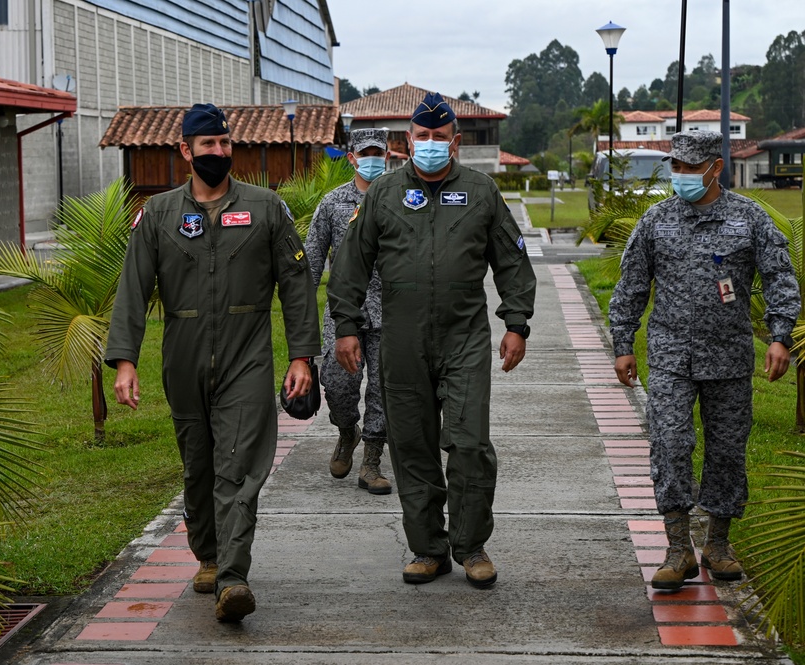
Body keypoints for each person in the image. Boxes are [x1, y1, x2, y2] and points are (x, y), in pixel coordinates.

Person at [105, 103, 321, 622]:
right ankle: (207, 554)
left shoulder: (267, 208)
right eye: (209, 145)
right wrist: (125, 361)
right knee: (198, 465)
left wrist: (301, 356)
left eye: (225, 143)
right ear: (186, 151)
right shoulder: (158, 214)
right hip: (182, 357)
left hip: (246, 357)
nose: (220, 152)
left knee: (239, 467)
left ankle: (233, 578)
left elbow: (296, 285)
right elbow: (133, 290)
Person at [327, 92, 537, 588]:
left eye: (439, 138)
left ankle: (471, 545)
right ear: (407, 141)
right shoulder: (383, 195)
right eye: (422, 137)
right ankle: (428, 548)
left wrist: (516, 323)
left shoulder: (482, 191)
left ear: (456, 142)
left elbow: (511, 261)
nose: (430, 145)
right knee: (412, 446)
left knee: (469, 444)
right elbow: (351, 265)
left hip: (463, 337)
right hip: (402, 341)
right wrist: (346, 326)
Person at [609, 129, 799, 590]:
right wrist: (622, 343)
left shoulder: (748, 219)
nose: (681, 176)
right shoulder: (656, 220)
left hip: (730, 358)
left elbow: (779, 277)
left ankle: (717, 544)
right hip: (671, 356)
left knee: (727, 451)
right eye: (676, 167)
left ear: (716, 168)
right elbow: (631, 284)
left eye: (691, 169)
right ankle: (677, 550)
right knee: (670, 445)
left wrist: (779, 337)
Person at [305, 127, 391, 495]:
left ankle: (372, 460)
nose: (373, 158)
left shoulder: (400, 199)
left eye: (379, 152)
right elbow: (311, 258)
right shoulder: (332, 203)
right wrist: (299, 310)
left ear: (387, 156)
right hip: (344, 314)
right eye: (365, 153)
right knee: (338, 387)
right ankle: (346, 431)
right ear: (352, 158)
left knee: (383, 391)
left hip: (391, 312)